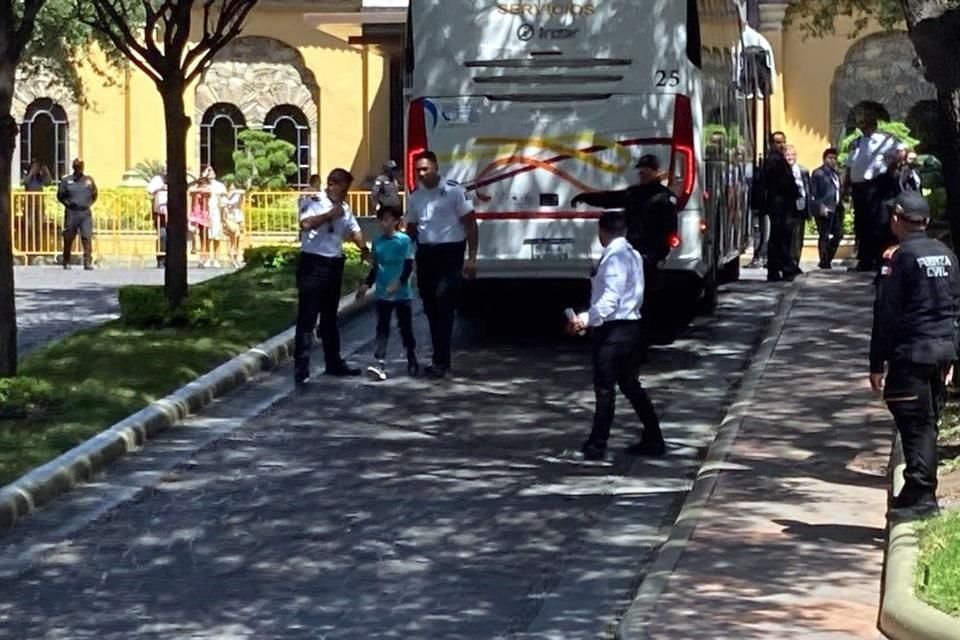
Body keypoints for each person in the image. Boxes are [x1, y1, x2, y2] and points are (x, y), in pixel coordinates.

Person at [869, 191, 960, 518]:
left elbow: (887, 314)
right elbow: (955, 309)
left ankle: (922, 495)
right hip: (940, 353)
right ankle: (915, 490)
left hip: (912, 353)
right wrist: (951, 354)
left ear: (897, 218)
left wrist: (876, 362)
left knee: (915, 422)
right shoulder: (946, 255)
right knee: (927, 421)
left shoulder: (899, 258)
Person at [566, 210, 663, 461]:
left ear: (603, 231)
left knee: (605, 388)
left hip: (613, 331)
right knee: (630, 385)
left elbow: (610, 299)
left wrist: (584, 320)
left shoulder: (615, 259)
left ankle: (597, 444)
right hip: (632, 328)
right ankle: (654, 437)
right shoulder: (632, 254)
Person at [294, 168, 371, 385]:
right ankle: (302, 368)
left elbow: (354, 230)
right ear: (331, 184)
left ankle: (333, 362)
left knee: (329, 317)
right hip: (313, 263)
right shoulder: (313, 201)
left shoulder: (345, 208)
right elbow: (305, 224)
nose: (345, 194)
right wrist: (329, 215)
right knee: (307, 318)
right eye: (343, 189)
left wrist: (364, 250)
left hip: (333, 264)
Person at [405, 150, 478, 379]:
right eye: (418, 170)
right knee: (430, 308)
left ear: (436, 168)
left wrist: (472, 258)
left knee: (444, 306)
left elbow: (470, 224)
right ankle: (438, 357)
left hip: (450, 255)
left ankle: (442, 361)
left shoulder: (454, 191)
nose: (421, 173)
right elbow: (412, 228)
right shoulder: (415, 196)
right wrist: (412, 256)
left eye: (425, 169)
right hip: (427, 256)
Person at [355, 205, 419, 381]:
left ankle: (411, 357)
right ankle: (380, 362)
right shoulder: (377, 242)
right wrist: (366, 286)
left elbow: (408, 266)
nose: (384, 223)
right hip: (383, 294)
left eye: (388, 219)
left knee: (405, 328)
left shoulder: (404, 241)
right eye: (381, 220)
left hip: (402, 294)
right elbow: (376, 268)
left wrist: (398, 283)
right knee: (382, 329)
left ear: (396, 221)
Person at [847, 111, 904, 272]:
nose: (862, 126)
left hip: (878, 185)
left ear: (873, 124)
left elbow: (902, 152)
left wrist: (891, 168)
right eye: (860, 124)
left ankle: (881, 260)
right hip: (859, 188)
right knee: (862, 225)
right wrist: (846, 185)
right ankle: (865, 261)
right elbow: (850, 165)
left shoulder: (885, 139)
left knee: (879, 223)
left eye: (864, 123)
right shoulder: (857, 142)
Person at [762, 131, 801, 282]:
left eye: (783, 142)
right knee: (779, 237)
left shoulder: (780, 159)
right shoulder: (773, 160)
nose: (781, 145)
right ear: (772, 144)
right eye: (777, 142)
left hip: (784, 205)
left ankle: (783, 267)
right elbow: (779, 183)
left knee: (782, 237)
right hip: (779, 205)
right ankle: (780, 268)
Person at [56, 158, 98, 270]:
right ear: (73, 167)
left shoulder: (88, 180)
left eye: (80, 166)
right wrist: (69, 204)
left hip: (85, 213)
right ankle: (66, 260)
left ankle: (88, 262)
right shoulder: (66, 181)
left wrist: (87, 203)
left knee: (86, 237)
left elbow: (94, 194)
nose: (78, 168)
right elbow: (60, 195)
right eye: (76, 166)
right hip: (72, 212)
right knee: (69, 237)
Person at [809, 147, 844, 269]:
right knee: (824, 235)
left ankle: (827, 257)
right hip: (824, 208)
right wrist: (820, 206)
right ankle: (824, 261)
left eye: (835, 158)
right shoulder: (818, 173)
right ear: (824, 159)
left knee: (839, 234)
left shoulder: (836, 174)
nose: (833, 161)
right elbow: (813, 193)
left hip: (836, 208)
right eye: (830, 158)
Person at [785, 145, 811, 270]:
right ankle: (789, 263)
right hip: (788, 209)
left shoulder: (803, 170)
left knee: (799, 238)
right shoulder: (783, 171)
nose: (790, 157)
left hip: (801, 207)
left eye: (792, 155)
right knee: (789, 238)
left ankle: (796, 261)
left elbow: (808, 189)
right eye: (788, 155)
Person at [146, 170, 168, 268]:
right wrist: (160, 188)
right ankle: (161, 260)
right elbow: (149, 190)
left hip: (174, 213)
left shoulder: (176, 179)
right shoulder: (157, 179)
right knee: (162, 236)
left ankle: (170, 260)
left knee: (172, 237)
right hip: (160, 213)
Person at [223, 181, 245, 268]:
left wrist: (233, 192)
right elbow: (226, 205)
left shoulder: (237, 195)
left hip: (238, 218)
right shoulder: (224, 198)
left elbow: (243, 191)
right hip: (230, 218)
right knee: (233, 237)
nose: (232, 189)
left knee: (238, 239)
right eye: (230, 188)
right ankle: (232, 257)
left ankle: (235, 257)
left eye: (234, 187)